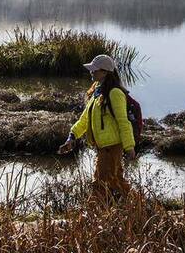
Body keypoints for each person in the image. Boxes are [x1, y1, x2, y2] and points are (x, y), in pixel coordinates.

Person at [58, 54, 137, 202]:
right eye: (91, 70)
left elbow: (123, 122)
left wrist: (129, 146)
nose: (91, 72)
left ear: (105, 72)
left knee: (100, 184)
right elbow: (84, 119)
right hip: (102, 148)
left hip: (112, 148)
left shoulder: (114, 93)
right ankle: (133, 209)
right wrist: (72, 136)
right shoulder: (96, 91)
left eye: (95, 70)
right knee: (116, 181)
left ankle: (96, 213)